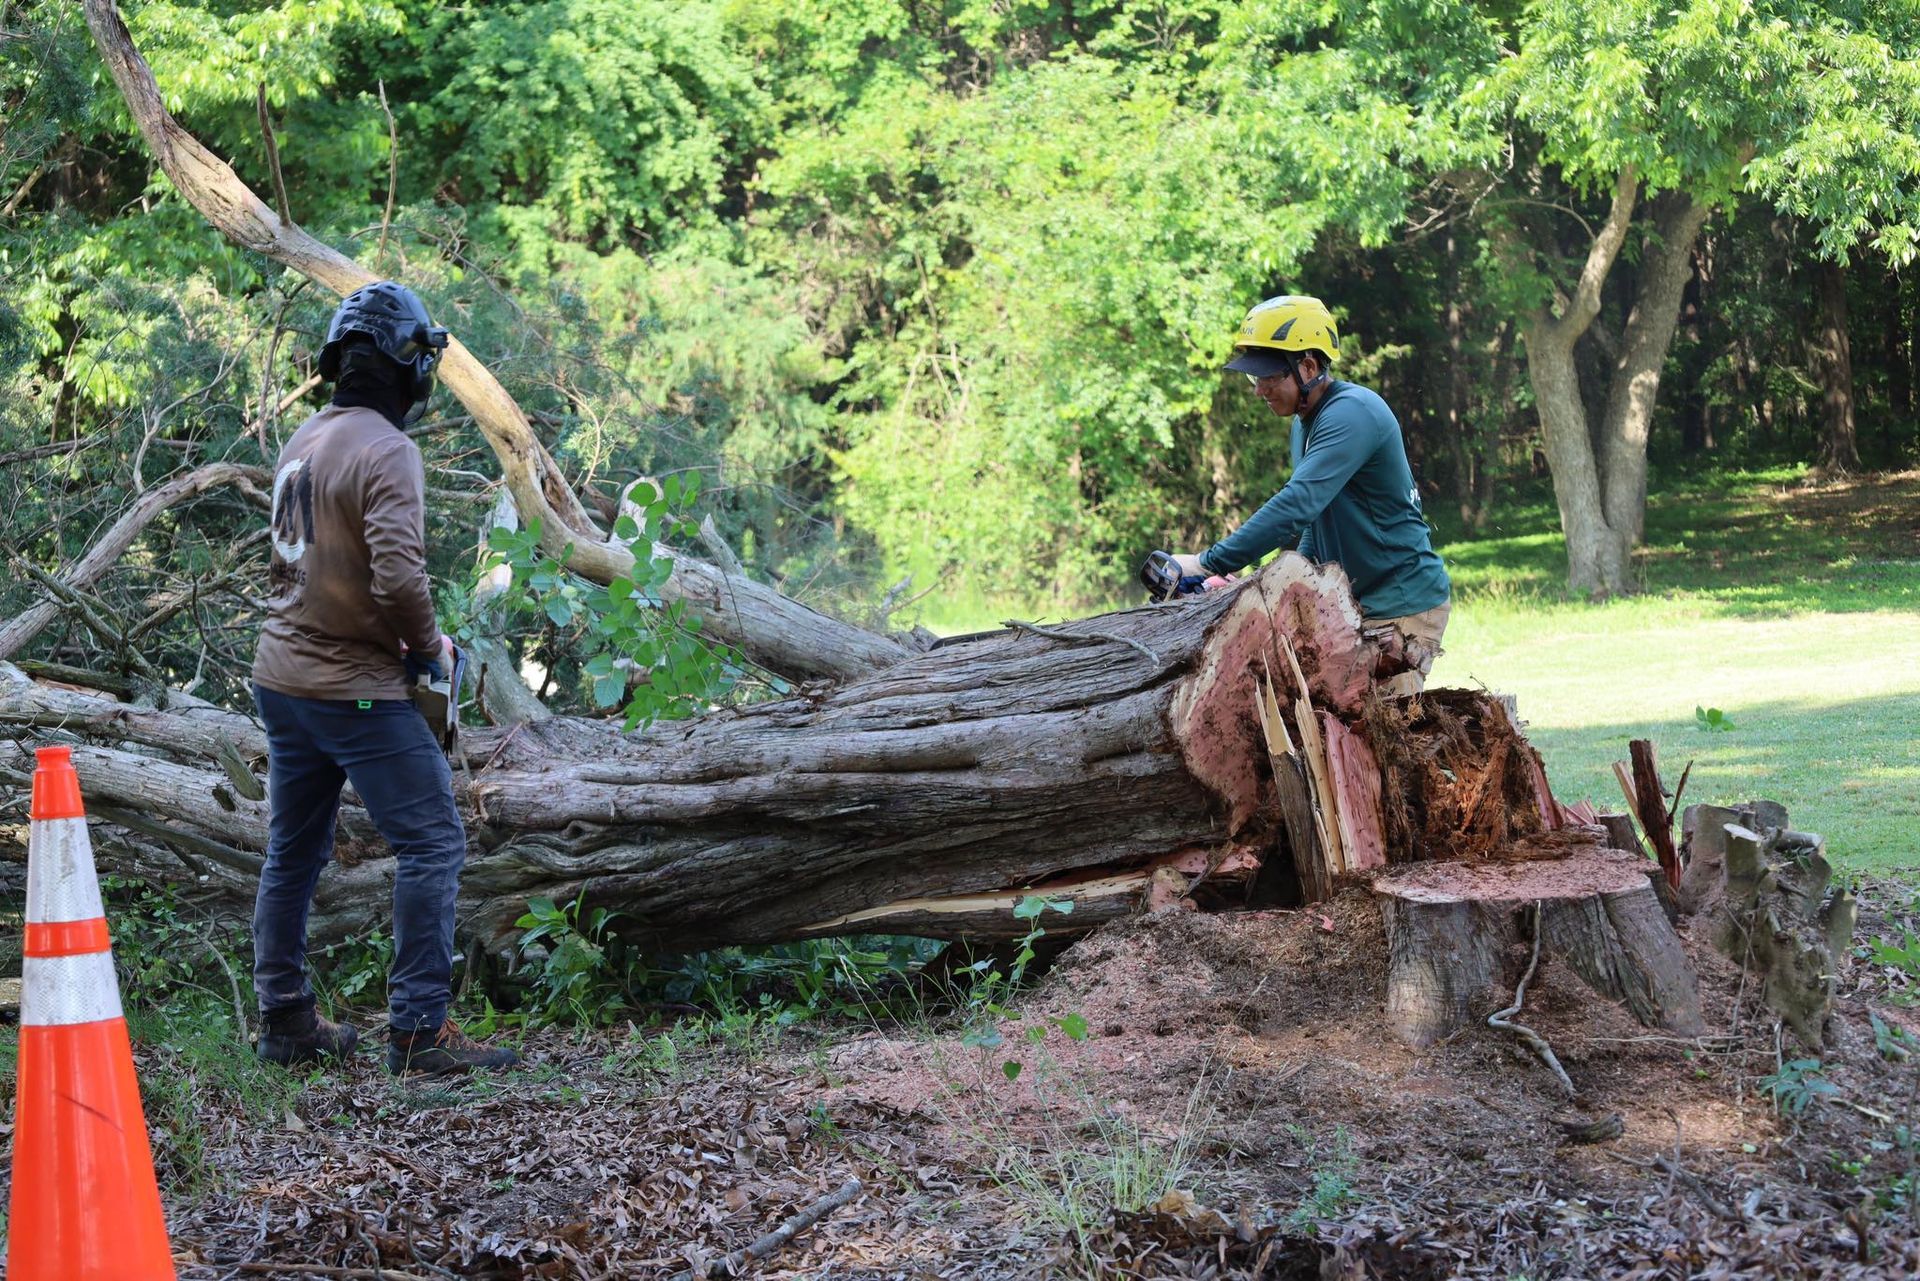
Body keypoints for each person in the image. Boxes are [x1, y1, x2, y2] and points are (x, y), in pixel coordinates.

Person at [251, 280, 517, 1076]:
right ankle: (417, 1029)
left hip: (282, 678)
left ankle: (286, 1020)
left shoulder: (305, 436)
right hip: (351, 687)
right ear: (411, 366)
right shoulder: (388, 449)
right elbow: (400, 578)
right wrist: (428, 646)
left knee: (291, 851)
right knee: (435, 839)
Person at [1173, 295, 1451, 694]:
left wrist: (1207, 563)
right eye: (1255, 379)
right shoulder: (1305, 423)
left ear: (1308, 366)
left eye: (1269, 377)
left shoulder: (1351, 414)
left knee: (1383, 745)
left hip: (1401, 608)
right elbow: (1314, 524)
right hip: (1356, 607)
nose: (1259, 390)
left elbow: (1296, 505)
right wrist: (1259, 583)